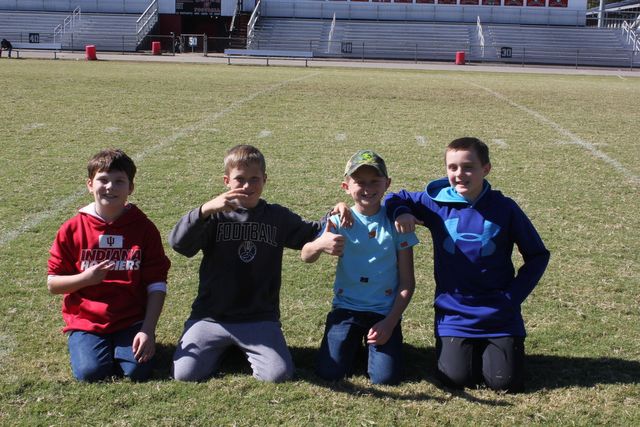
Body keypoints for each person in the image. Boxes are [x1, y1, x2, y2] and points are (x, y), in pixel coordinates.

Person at [385, 137, 550, 392]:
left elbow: (538, 255)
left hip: (499, 312)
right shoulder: (436, 203)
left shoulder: (505, 208)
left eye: (468, 167)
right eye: (452, 167)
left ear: (486, 169)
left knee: (504, 383)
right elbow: (396, 197)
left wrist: (512, 296)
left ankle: (500, 346)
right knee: (455, 379)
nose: (459, 174)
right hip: (454, 313)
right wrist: (402, 212)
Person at [170, 144, 344, 383]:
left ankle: (235, 347)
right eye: (239, 179)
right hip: (211, 316)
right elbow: (180, 244)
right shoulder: (214, 217)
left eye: (254, 179)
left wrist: (336, 212)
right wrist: (205, 209)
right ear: (226, 181)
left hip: (258, 317)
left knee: (278, 375)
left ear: (265, 179)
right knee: (185, 374)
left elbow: (311, 232)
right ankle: (222, 346)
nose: (247, 186)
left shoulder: (276, 217)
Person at [47, 149, 171, 382]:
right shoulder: (72, 228)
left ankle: (125, 345)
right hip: (87, 322)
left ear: (130, 188)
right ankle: (90, 345)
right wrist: (86, 278)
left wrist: (147, 329)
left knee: (138, 371)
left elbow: (157, 283)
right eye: (103, 180)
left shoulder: (144, 228)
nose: (110, 187)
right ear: (90, 184)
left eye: (119, 181)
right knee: (91, 373)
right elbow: (53, 284)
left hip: (131, 319)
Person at [301, 150, 418, 385]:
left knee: (385, 378)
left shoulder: (397, 224)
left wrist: (390, 321)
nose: (368, 188)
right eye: (360, 182)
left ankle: (372, 342)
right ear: (346, 186)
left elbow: (407, 282)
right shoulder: (338, 220)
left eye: (375, 181)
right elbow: (306, 255)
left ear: (388, 184)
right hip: (346, 309)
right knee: (329, 372)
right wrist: (321, 244)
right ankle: (351, 341)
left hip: (383, 311)